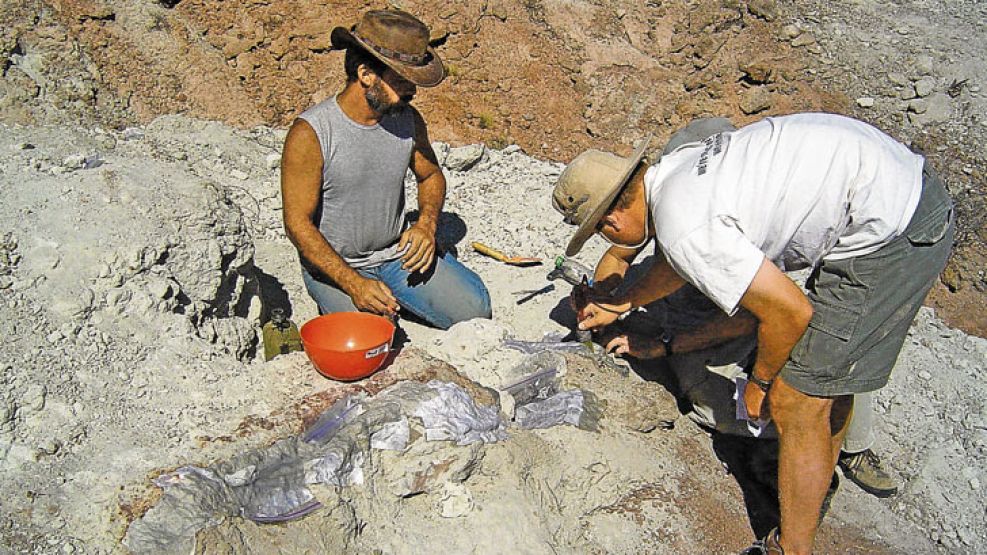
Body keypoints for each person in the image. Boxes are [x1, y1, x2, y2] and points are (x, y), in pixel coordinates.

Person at [552, 113, 953, 554]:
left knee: (795, 399)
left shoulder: (688, 228)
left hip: (892, 230)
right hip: (885, 184)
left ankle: (790, 548)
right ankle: (815, 477)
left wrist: (760, 384)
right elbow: (675, 262)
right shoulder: (677, 170)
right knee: (822, 387)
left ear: (610, 222)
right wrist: (620, 302)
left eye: (597, 230)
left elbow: (789, 313)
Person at [281, 9, 491, 329]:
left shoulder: (407, 121)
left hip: (394, 255)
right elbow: (298, 223)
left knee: (476, 310)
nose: (413, 92)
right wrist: (353, 284)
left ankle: (397, 295)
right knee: (373, 338)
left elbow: (431, 175)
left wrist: (426, 225)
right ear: (366, 75)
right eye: (402, 81)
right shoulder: (311, 133)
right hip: (336, 266)